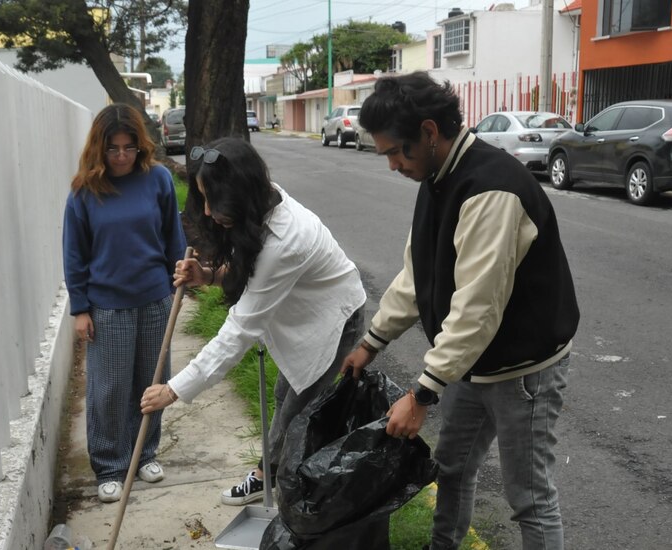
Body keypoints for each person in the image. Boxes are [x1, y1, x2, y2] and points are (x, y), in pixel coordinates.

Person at [342, 72, 580, 550]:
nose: (391, 165)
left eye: (394, 151)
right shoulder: (435, 178)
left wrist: (424, 393)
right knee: (452, 469)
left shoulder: (492, 188)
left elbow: (478, 307)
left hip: (522, 371)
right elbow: (417, 275)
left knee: (529, 498)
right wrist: (371, 343)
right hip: (471, 367)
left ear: (429, 132)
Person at [139, 137, 366, 506]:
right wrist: (209, 276)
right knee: (284, 396)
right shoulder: (263, 201)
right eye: (204, 199)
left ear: (241, 196)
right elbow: (252, 267)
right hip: (301, 308)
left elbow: (239, 331)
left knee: (299, 414)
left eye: (216, 202)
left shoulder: (288, 239)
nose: (209, 212)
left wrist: (175, 389)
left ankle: (296, 503)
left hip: (334, 319)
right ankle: (272, 476)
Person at [62, 103, 187, 504]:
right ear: (99, 148)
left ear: (140, 146)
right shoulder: (85, 191)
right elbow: (74, 253)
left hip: (154, 298)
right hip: (107, 306)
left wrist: (180, 282)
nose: (120, 156)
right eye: (113, 148)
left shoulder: (159, 180)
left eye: (128, 148)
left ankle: (144, 453)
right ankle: (111, 465)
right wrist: (80, 308)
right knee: (109, 389)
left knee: (152, 383)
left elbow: (173, 236)